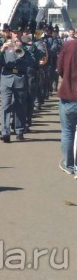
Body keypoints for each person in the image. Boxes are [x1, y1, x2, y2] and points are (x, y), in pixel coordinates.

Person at [57, 34, 77, 175]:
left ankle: (69, 164)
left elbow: (60, 69)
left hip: (69, 94)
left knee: (68, 132)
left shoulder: (69, 45)